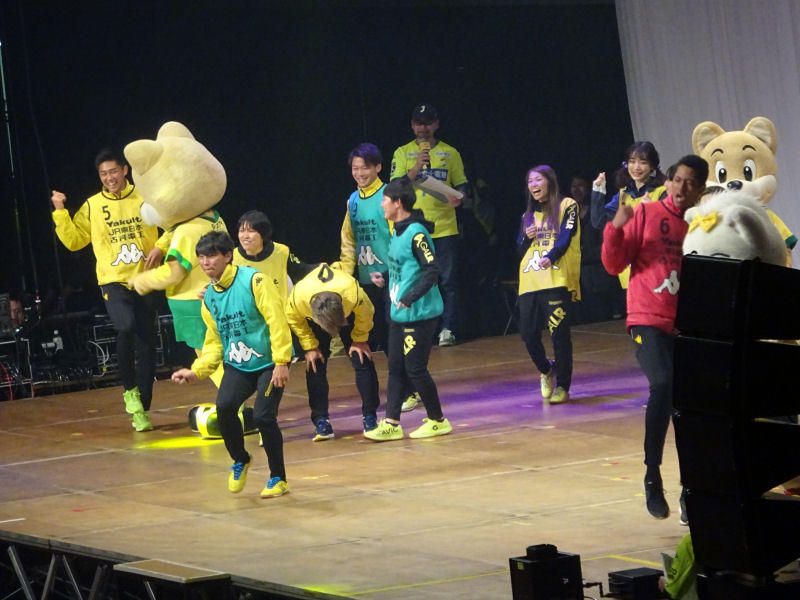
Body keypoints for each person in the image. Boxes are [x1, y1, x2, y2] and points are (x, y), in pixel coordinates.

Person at [601, 155, 709, 520]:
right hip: (646, 318)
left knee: (689, 408)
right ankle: (652, 476)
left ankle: (691, 490)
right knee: (662, 384)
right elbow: (614, 264)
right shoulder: (646, 213)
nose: (681, 188)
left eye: (690, 183)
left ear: (700, 190)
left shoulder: (700, 226)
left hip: (685, 326)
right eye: (677, 180)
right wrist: (615, 228)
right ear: (668, 181)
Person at [171, 231, 292, 498]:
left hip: (269, 362)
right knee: (225, 408)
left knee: (263, 416)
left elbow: (276, 320)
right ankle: (241, 459)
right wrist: (196, 371)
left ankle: (278, 478)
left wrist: (282, 361)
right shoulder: (209, 298)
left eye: (212, 256)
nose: (206, 262)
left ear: (228, 256)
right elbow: (214, 342)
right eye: (201, 257)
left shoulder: (254, 281)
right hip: (238, 364)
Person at [51, 148, 164, 432]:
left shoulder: (145, 196)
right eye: (103, 174)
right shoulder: (93, 205)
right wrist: (60, 211)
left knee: (147, 343)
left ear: (125, 170)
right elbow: (74, 241)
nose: (109, 178)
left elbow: (172, 225)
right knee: (125, 327)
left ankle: (143, 407)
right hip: (113, 280)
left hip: (147, 278)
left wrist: (162, 247)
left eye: (113, 171)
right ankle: (129, 391)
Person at [364, 177, 452, 441]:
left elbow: (431, 269)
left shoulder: (417, 233)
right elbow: (403, 268)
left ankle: (438, 420)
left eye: (385, 200)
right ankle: (392, 423)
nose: (382, 205)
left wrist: (411, 296)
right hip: (399, 313)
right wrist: (385, 277)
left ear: (398, 203)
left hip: (419, 313)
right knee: (395, 367)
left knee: (415, 368)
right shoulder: (396, 231)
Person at [338, 143, 420, 412]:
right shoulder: (352, 200)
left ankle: (411, 390)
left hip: (391, 280)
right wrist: (346, 276)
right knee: (369, 338)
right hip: (365, 281)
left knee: (394, 339)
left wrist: (390, 273)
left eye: (365, 167)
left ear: (378, 168)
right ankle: (376, 399)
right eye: (355, 168)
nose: (359, 173)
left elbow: (399, 236)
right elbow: (348, 240)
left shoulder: (388, 196)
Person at [390, 103, 469, 346]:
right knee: (414, 279)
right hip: (413, 229)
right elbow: (395, 188)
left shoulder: (450, 153)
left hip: (444, 227)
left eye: (427, 123)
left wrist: (459, 197)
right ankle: (418, 326)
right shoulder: (402, 152)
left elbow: (462, 185)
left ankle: (448, 328)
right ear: (412, 125)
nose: (422, 128)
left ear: (436, 124)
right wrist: (416, 167)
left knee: (447, 280)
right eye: (418, 123)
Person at [284, 262, 380, 440]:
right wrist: (310, 346)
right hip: (315, 315)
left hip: (348, 314)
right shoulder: (298, 298)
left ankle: (370, 416)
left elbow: (367, 313)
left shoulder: (352, 293)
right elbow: (293, 319)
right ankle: (321, 421)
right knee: (315, 363)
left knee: (362, 358)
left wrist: (359, 339)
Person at [516, 166, 581, 405]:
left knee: (559, 335)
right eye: (529, 181)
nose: (533, 185)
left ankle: (563, 386)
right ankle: (546, 369)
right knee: (528, 334)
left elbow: (566, 236)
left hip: (556, 278)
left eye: (537, 179)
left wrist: (551, 256)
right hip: (530, 282)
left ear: (549, 181)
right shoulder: (527, 215)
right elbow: (518, 249)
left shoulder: (567, 205)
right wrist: (526, 237)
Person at [591, 142, 667, 290]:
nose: (636, 167)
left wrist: (652, 211)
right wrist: (598, 191)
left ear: (652, 166)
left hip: (655, 269)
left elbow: (668, 229)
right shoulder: (623, 194)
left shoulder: (662, 191)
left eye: (643, 162)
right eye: (632, 162)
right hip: (629, 273)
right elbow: (598, 221)